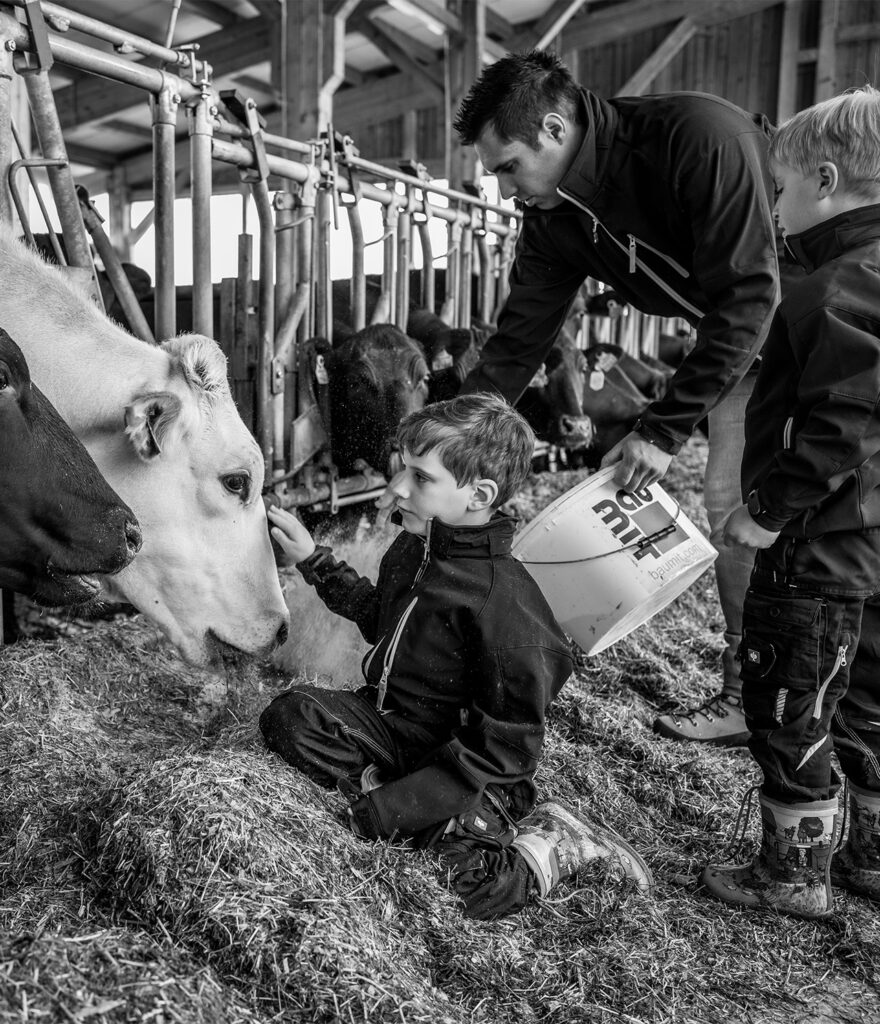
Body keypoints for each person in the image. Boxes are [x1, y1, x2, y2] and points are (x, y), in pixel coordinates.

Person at [453, 50, 781, 745]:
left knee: (825, 511)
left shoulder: (697, 139)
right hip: (742, 350)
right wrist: (449, 440)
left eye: (508, 165)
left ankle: (832, 690)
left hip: (823, 331)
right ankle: (751, 695)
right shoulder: (554, 218)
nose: (507, 189)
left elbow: (753, 291)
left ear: (551, 127)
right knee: (734, 509)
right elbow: (519, 342)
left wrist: (662, 431)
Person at [259, 393, 653, 919]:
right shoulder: (415, 550)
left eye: (420, 478)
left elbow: (505, 752)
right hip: (400, 728)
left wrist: (387, 811)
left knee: (458, 886)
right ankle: (398, 800)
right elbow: (384, 620)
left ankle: (556, 843)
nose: (396, 486)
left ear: (478, 494)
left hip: (471, 768)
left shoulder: (506, 607)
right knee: (291, 715)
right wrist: (314, 560)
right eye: (402, 466)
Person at [701, 86, 880, 918]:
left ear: (829, 179)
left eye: (780, 189)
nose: (773, 207)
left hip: (816, 547)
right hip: (870, 551)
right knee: (870, 703)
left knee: (788, 702)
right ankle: (868, 857)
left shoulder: (837, 288)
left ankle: (792, 875)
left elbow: (840, 422)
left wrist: (766, 510)